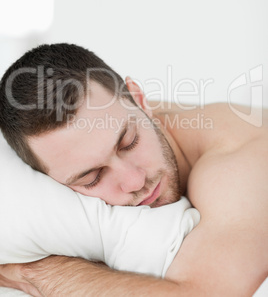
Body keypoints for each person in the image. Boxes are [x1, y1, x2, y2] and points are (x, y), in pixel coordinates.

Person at [0, 43, 267, 296]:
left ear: (140, 100)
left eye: (129, 142)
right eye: (92, 177)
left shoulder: (240, 165)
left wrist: (37, 272)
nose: (135, 181)